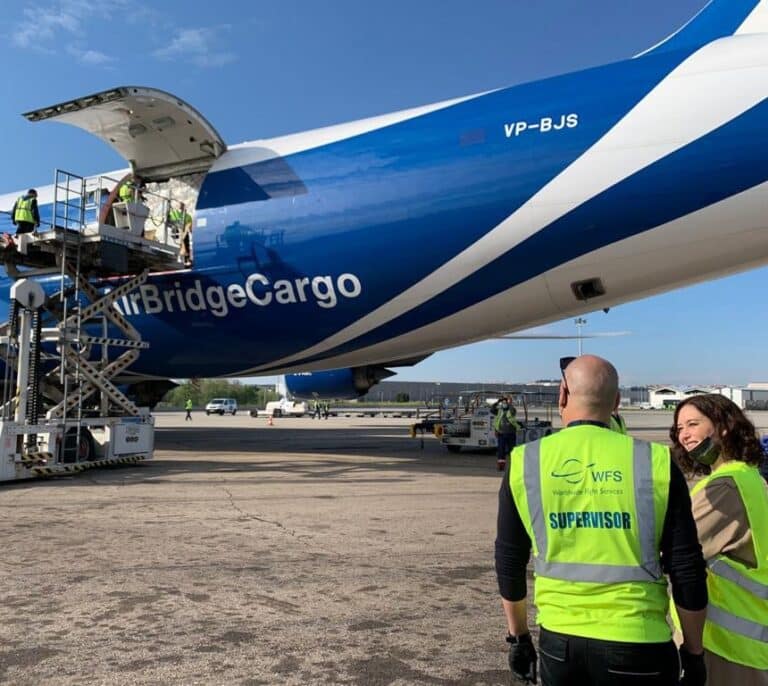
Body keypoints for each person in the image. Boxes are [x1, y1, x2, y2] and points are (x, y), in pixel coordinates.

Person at [496, 355, 708, 686]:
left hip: (560, 641)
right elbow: (686, 567)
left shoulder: (525, 461)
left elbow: (509, 562)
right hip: (639, 641)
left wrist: (519, 638)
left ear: (562, 395)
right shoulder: (656, 461)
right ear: (617, 402)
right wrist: (694, 653)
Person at [670, 394, 768, 684]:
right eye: (679, 428)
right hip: (745, 639)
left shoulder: (725, 487)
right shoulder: (747, 476)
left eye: (693, 424)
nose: (684, 435)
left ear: (723, 427)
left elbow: (676, 547)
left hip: (726, 645)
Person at [494, 396, 521, 471]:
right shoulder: (500, 410)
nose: (505, 402)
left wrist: (509, 404)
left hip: (511, 433)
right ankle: (501, 466)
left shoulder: (512, 409)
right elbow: (492, 410)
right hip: (501, 433)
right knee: (501, 451)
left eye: (508, 401)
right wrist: (498, 402)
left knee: (512, 450)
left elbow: (512, 412)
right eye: (505, 401)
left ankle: (514, 466)